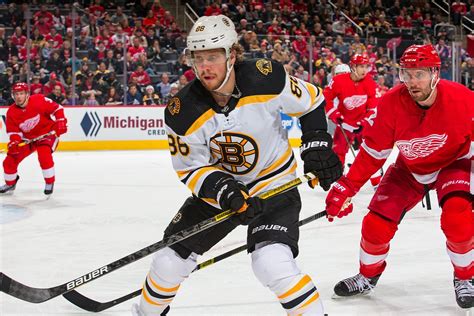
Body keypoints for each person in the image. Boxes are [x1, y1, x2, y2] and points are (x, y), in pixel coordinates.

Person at [132, 15, 342, 316]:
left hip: (274, 184)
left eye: (214, 56)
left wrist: (317, 144)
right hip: (221, 194)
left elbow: (311, 102)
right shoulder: (182, 111)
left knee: (271, 263)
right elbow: (190, 168)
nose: (205, 66)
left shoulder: (265, 77)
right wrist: (226, 192)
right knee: (168, 263)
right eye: (199, 58)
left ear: (232, 54)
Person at [325, 45, 473, 309]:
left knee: (457, 219)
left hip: (454, 163)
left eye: (419, 74)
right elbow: (373, 152)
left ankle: (465, 277)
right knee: (375, 224)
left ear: (435, 73)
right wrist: (346, 186)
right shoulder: (392, 103)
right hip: (409, 168)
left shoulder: (463, 100)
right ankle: (368, 276)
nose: (412, 82)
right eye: (406, 74)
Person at [323, 54, 382, 188]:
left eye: (366, 66)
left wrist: (365, 122)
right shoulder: (338, 81)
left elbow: (374, 106)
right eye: (361, 66)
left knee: (371, 152)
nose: (364, 70)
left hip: (364, 124)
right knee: (338, 151)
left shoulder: (369, 82)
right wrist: (335, 115)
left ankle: (377, 183)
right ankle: (338, 179)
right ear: (353, 67)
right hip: (344, 124)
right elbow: (326, 98)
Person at [1, 82, 68, 195]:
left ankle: (49, 182)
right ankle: (10, 183)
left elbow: (58, 109)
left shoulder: (38, 100)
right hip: (28, 140)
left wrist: (61, 121)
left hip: (47, 134)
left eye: (21, 93)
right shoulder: (11, 112)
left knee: (44, 154)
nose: (18, 97)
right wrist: (15, 142)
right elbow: (14, 132)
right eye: (16, 94)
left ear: (27, 94)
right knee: (10, 160)